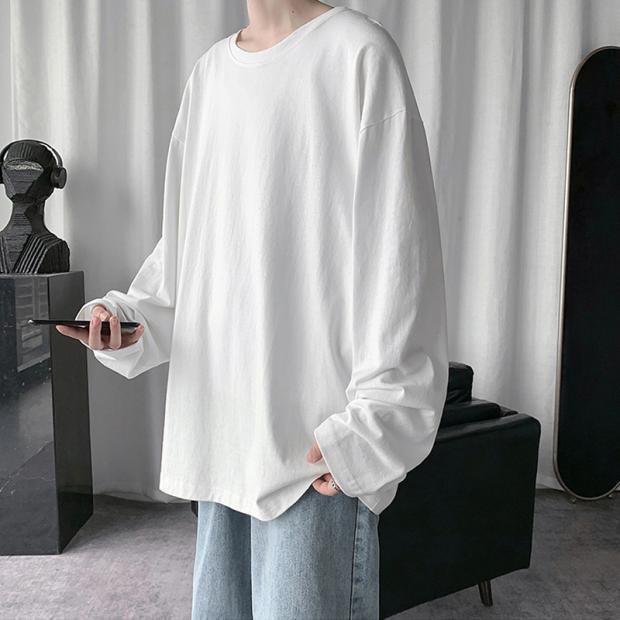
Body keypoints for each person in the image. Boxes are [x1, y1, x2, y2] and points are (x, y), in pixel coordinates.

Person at [57, 1, 449, 618]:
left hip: (313, 456)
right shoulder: (210, 75)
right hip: (221, 446)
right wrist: (128, 318)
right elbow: (191, 249)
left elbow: (400, 254)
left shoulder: (358, 54)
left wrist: (374, 432)